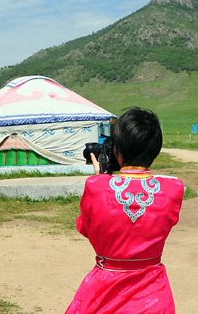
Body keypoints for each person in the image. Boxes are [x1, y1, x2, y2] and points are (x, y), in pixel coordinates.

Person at [65, 107, 184, 313]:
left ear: (117, 149)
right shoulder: (174, 190)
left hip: (104, 290)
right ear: (155, 149)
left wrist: (101, 178)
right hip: (153, 294)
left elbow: (85, 228)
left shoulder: (96, 186)